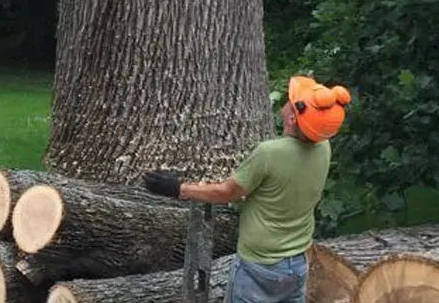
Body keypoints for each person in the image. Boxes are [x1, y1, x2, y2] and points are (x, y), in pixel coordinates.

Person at [143, 75, 352, 303]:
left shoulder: (269, 153)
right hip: (297, 262)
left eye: (289, 101)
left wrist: (177, 188)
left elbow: (226, 192)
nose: (284, 102)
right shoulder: (324, 147)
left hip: (259, 266)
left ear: (292, 118)